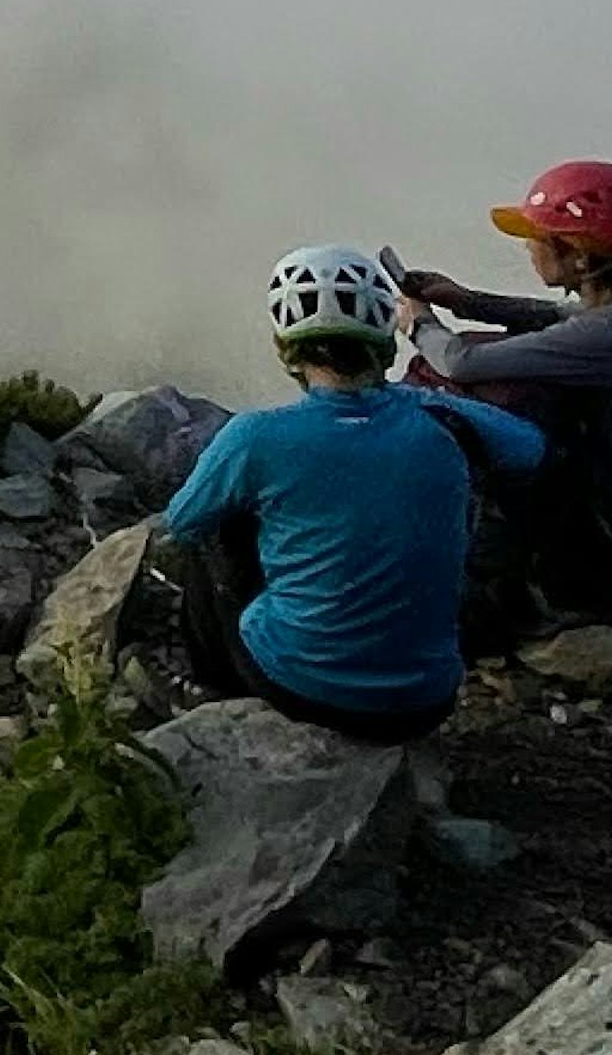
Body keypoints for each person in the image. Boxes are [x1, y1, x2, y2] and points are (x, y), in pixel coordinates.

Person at [155, 246, 546, 740]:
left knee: (216, 530)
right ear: (382, 340)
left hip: (301, 686)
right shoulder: (441, 419)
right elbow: (529, 449)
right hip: (426, 698)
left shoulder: (254, 436)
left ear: (287, 348)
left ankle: (214, 689)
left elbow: (182, 519)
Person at [383, 157, 612, 625]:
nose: (527, 246)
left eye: (538, 237)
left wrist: (420, 322)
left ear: (581, 257)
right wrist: (465, 299)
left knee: (471, 395)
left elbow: (462, 361)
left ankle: (501, 573)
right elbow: (561, 320)